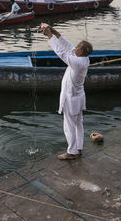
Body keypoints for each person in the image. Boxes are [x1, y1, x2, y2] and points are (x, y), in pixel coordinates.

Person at [40, 24, 93, 160]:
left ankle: (71, 152)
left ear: (82, 52)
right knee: (78, 124)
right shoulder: (83, 59)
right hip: (77, 97)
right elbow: (69, 47)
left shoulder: (77, 62)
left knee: (69, 125)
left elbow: (61, 52)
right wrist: (55, 33)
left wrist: (49, 36)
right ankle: (78, 148)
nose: (75, 48)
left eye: (78, 47)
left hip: (72, 99)